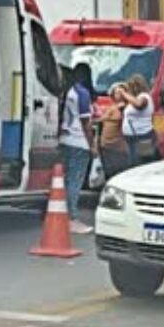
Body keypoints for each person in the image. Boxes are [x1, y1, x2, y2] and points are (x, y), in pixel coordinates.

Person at [59, 62, 96, 234]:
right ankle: (71, 217)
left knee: (65, 180)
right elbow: (85, 122)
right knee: (75, 181)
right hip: (79, 141)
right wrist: (92, 144)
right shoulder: (83, 93)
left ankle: (61, 214)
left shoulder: (67, 91)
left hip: (65, 139)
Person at [120, 74, 158, 166]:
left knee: (143, 163)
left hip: (142, 136)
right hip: (132, 137)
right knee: (134, 163)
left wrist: (125, 94)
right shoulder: (134, 99)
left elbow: (139, 105)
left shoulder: (144, 97)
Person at [98, 83, 131, 179]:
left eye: (121, 92)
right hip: (106, 144)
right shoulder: (111, 107)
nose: (119, 94)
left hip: (118, 146)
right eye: (117, 92)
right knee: (109, 170)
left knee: (119, 171)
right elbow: (101, 119)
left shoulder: (125, 108)